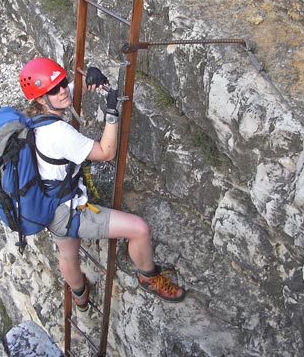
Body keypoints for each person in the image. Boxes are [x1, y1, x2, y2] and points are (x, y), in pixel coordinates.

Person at [18, 57, 186, 310]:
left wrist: (88, 81)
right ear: (41, 99)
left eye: (62, 83)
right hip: (68, 210)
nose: (62, 90)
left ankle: (79, 294)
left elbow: (69, 92)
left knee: (67, 253)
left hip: (46, 204)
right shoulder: (58, 133)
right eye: (54, 89)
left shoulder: (33, 117)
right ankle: (149, 278)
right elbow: (106, 152)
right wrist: (111, 114)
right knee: (139, 229)